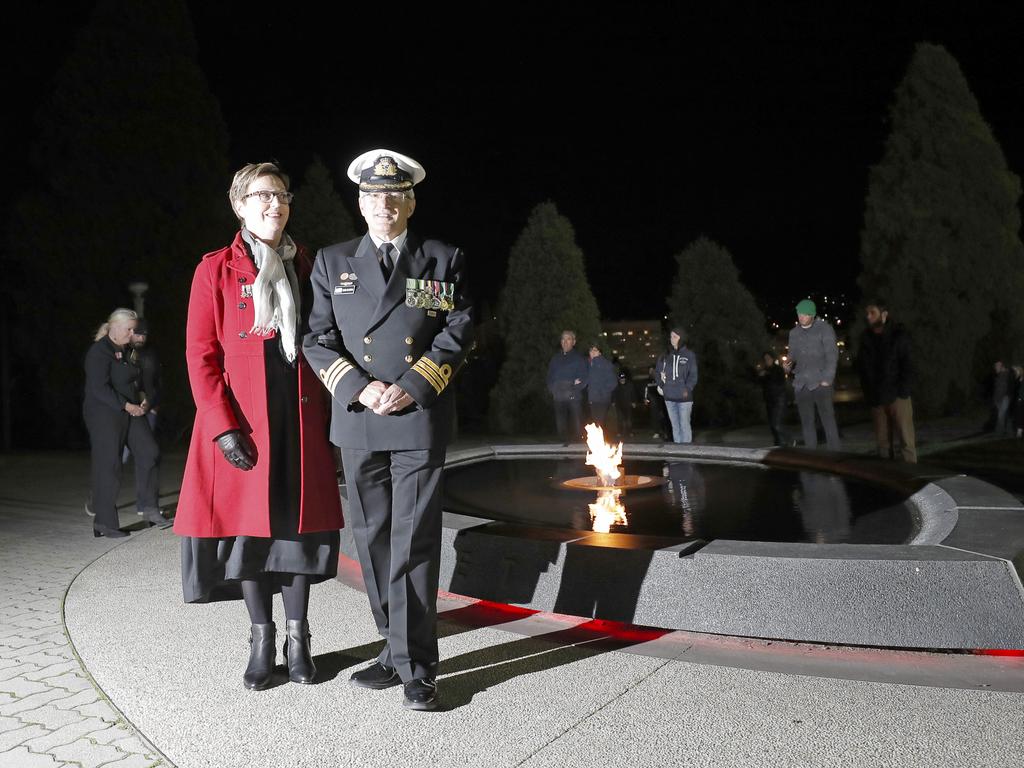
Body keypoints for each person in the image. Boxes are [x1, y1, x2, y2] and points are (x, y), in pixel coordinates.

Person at [303, 149, 474, 711]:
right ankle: (393, 646)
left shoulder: (441, 257)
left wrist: (415, 383)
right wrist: (358, 387)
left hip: (418, 416)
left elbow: (457, 330)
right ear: (360, 202)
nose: (384, 204)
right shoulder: (332, 262)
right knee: (373, 541)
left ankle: (418, 664)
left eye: (395, 195)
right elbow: (316, 339)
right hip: (359, 420)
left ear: (411, 201)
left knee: (415, 540)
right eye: (374, 195)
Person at [174, 162, 343, 691]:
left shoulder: (309, 264)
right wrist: (222, 427)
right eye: (263, 195)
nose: (276, 204)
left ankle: (299, 640)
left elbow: (326, 343)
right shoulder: (215, 270)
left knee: (299, 534)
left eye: (282, 195)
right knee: (249, 536)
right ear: (239, 205)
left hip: (299, 422)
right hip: (246, 429)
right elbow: (200, 357)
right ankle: (261, 638)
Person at [83, 308, 164, 537]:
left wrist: (144, 399)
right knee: (109, 465)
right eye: (129, 329)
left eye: (134, 329)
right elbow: (99, 388)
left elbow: (133, 381)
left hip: (130, 410)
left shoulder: (127, 351)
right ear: (115, 327)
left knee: (149, 451)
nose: (132, 334)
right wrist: (126, 405)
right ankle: (105, 523)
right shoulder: (99, 352)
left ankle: (149, 508)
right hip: (104, 414)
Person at [856, 300, 916, 462]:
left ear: (884, 314)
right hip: (876, 398)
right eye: (867, 313)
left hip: (897, 396)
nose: (868, 317)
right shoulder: (866, 338)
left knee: (906, 442)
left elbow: (908, 364)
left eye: (872, 313)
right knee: (883, 445)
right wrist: (868, 392)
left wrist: (903, 391)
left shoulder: (898, 335)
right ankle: (886, 479)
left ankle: (911, 478)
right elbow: (862, 367)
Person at [783, 299, 841, 451]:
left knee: (828, 421)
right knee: (807, 423)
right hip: (802, 384)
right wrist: (787, 365)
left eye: (804, 314)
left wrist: (827, 379)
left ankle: (836, 458)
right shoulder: (794, 333)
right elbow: (792, 356)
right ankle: (812, 457)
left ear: (812, 315)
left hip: (821, 382)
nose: (800, 317)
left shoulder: (824, 329)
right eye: (799, 314)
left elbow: (831, 354)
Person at [656, 327, 698, 443]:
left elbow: (693, 375)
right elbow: (657, 372)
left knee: (684, 425)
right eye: (671, 336)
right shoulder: (665, 355)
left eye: (675, 336)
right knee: (675, 427)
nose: (672, 339)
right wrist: (662, 385)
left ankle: (687, 455)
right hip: (669, 397)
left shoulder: (689, 355)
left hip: (684, 397)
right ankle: (678, 456)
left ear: (682, 338)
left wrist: (687, 389)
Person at [546, 330, 588, 444]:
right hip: (558, 396)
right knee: (561, 424)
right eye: (563, 339)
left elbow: (584, 378)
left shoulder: (579, 359)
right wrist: (552, 389)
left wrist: (573, 388)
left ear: (573, 342)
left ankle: (578, 446)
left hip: (573, 396)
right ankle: (563, 444)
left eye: (568, 339)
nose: (565, 342)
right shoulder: (555, 359)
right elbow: (549, 376)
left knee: (577, 424)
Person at [757, 351, 791, 447]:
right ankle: (779, 442)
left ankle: (787, 440)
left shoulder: (777, 370)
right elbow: (761, 384)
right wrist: (761, 376)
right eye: (765, 359)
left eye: (769, 358)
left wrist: (766, 375)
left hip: (779, 398)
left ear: (772, 359)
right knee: (773, 424)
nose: (767, 360)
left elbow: (779, 380)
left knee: (777, 423)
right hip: (770, 400)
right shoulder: (764, 371)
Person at [585, 343, 618, 429]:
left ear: (600, 352)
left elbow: (613, 382)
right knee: (596, 422)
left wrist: (603, 392)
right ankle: (599, 440)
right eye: (591, 350)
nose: (592, 352)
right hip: (592, 398)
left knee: (599, 422)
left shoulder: (605, 364)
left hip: (602, 398)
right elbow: (586, 379)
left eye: (595, 350)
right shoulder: (588, 364)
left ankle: (601, 441)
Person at [644, 365, 667, 439]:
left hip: (661, 401)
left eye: (652, 370)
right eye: (650, 371)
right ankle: (656, 432)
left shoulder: (659, 379)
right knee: (654, 417)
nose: (651, 372)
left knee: (663, 416)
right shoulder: (648, 380)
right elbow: (646, 391)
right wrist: (646, 399)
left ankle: (664, 431)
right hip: (653, 402)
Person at [613, 370, 637, 438]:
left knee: (629, 419)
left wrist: (634, 402)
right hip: (619, 405)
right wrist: (613, 402)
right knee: (620, 419)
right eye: (621, 379)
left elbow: (633, 394)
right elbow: (614, 395)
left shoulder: (630, 385)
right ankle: (619, 432)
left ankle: (630, 432)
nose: (622, 380)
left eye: (623, 378)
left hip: (628, 404)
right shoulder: (616, 386)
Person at [992, 360, 1013, 436]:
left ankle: (999, 432)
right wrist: (995, 399)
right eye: (995, 366)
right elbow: (997, 388)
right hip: (998, 398)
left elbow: (1010, 386)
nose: (995, 368)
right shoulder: (999, 375)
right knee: (1005, 415)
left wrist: (1008, 396)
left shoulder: (1008, 375)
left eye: (997, 366)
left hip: (1005, 397)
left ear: (1002, 366)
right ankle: (1009, 431)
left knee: (1001, 415)